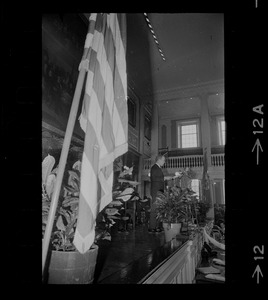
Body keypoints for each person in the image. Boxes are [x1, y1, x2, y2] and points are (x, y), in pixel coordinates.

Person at [148, 154, 165, 233]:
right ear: (159, 160)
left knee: (159, 210)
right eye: (163, 160)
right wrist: (172, 177)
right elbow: (158, 179)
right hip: (156, 192)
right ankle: (152, 227)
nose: (164, 162)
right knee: (154, 209)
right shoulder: (154, 168)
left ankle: (157, 226)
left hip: (159, 191)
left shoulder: (158, 168)